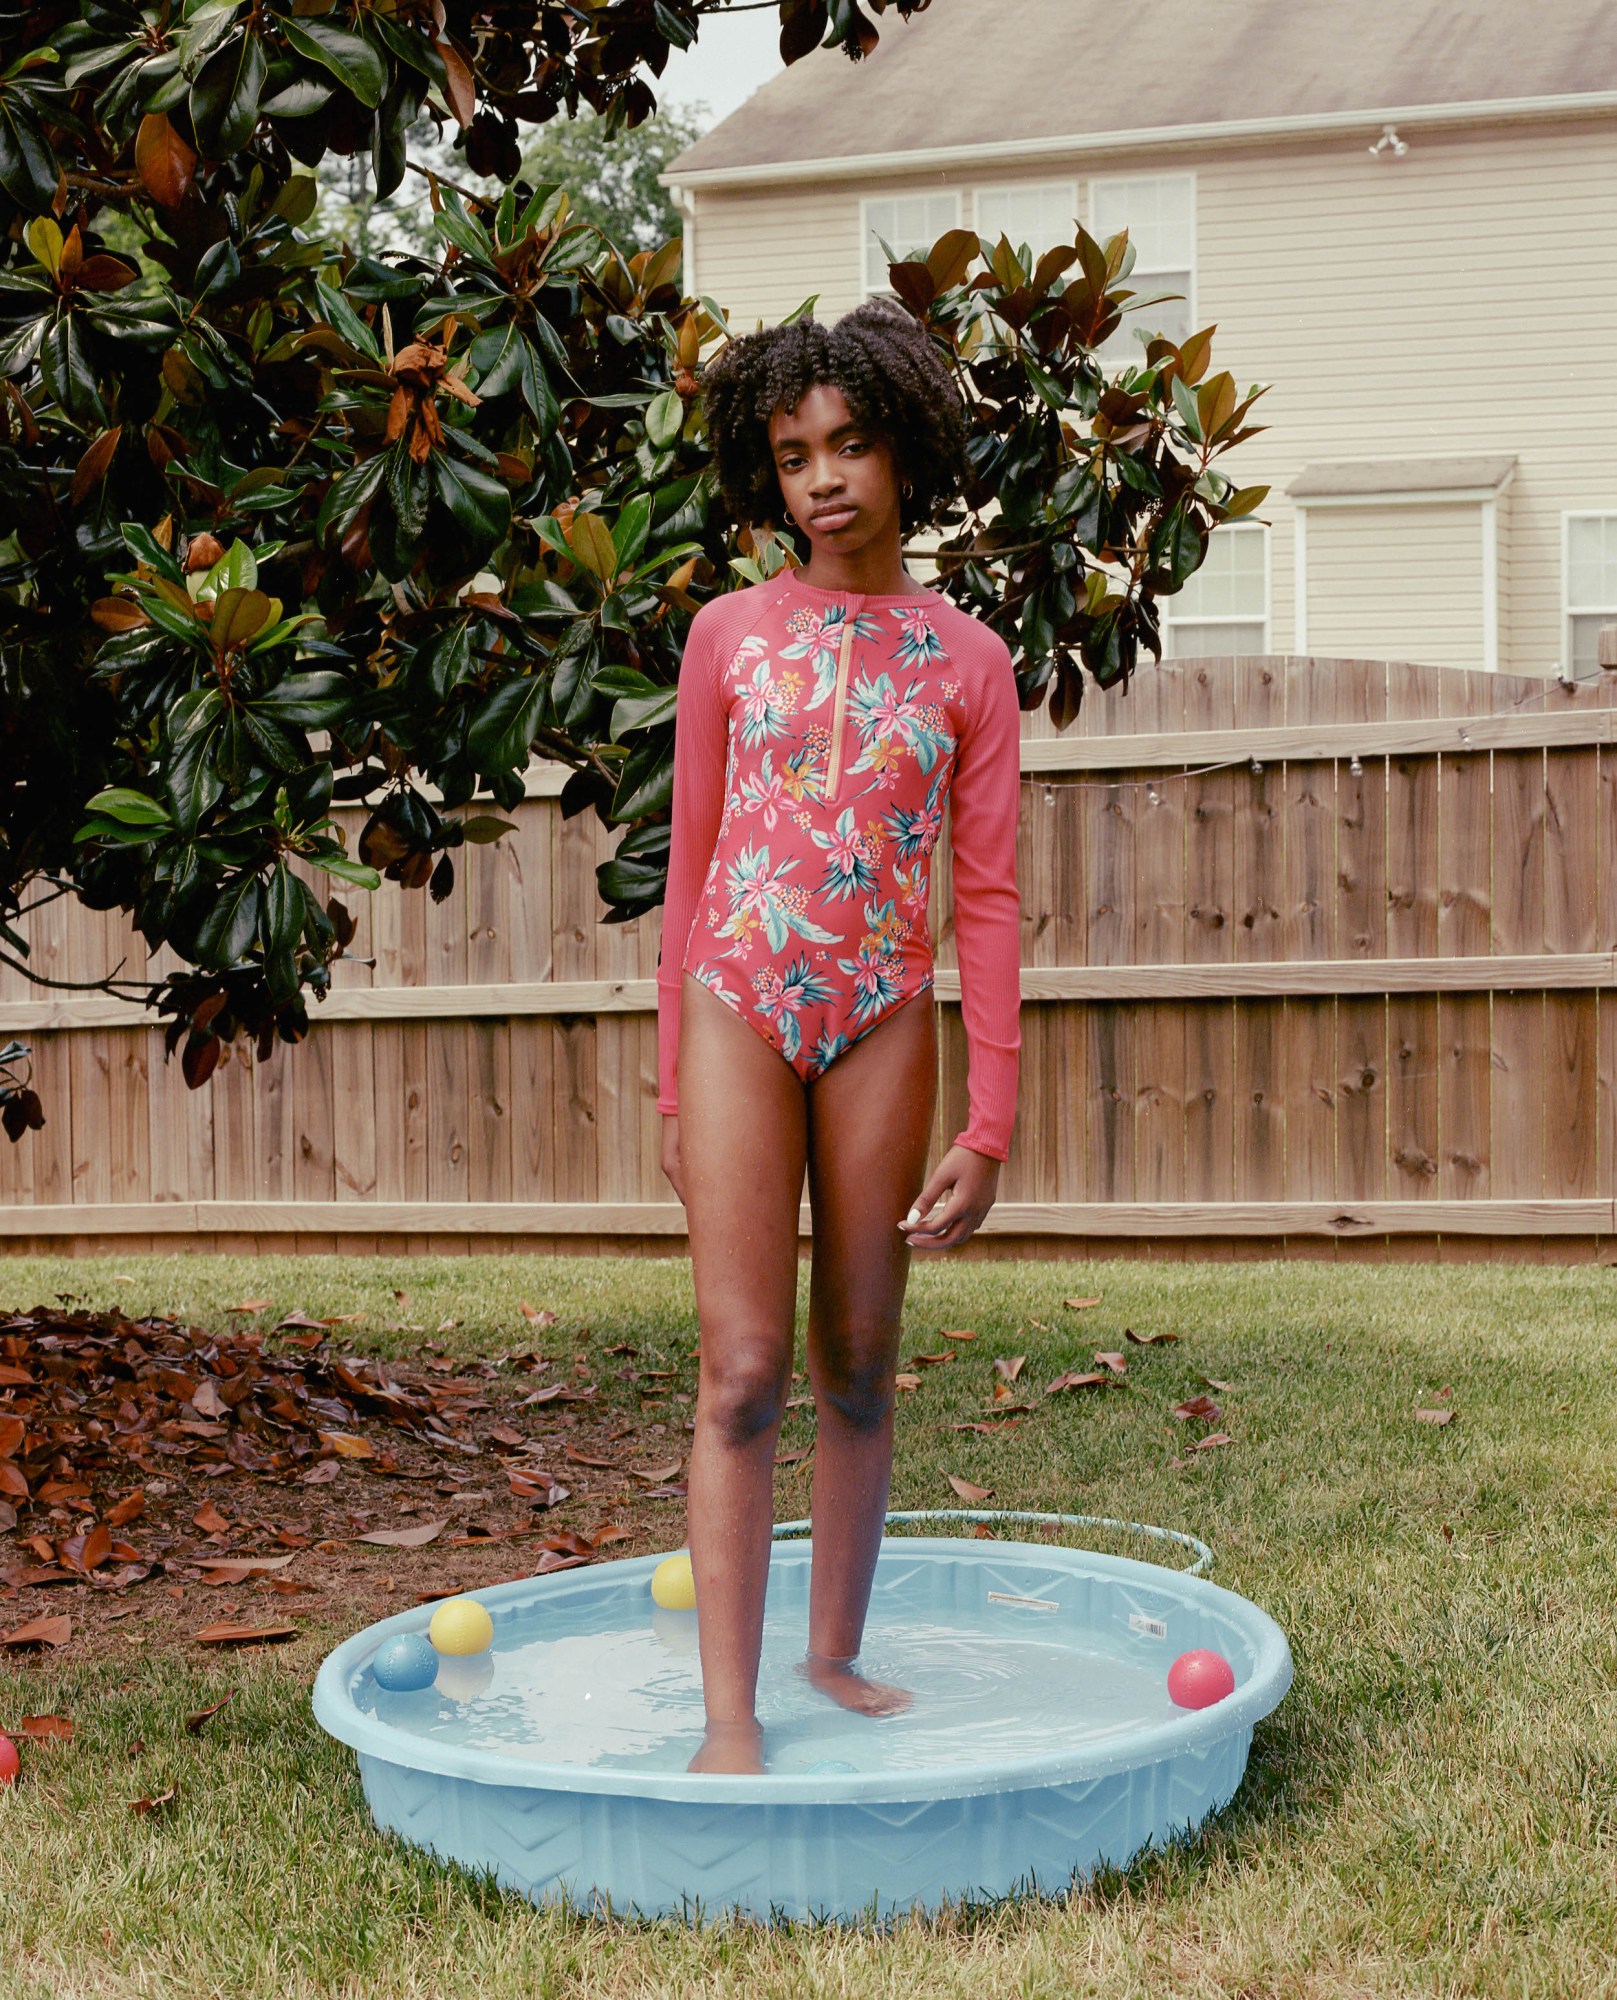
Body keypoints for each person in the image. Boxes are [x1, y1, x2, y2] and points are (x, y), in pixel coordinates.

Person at [655, 299, 1022, 1773]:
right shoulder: (726, 636)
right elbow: (688, 862)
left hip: (882, 1015)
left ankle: (831, 1658)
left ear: (901, 450)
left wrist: (987, 1122)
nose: (822, 477)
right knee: (742, 1368)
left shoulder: (966, 661)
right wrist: (676, 1082)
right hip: (740, 1002)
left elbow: (984, 900)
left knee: (859, 1361)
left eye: (850, 443)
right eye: (795, 452)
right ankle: (731, 1717)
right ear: (771, 475)